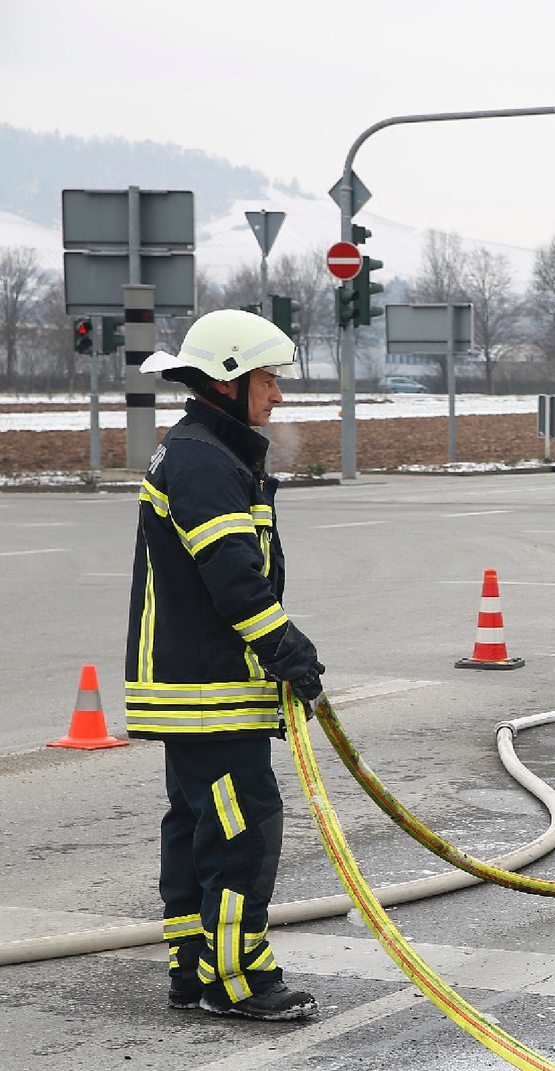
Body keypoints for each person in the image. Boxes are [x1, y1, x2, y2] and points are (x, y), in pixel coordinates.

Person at [126, 309, 323, 1022]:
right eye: (268, 379)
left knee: (199, 823)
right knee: (244, 826)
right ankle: (236, 978)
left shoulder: (207, 450)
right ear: (228, 378)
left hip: (196, 685)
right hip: (210, 686)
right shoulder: (204, 459)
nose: (277, 396)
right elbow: (232, 575)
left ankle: (192, 966)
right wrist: (287, 648)